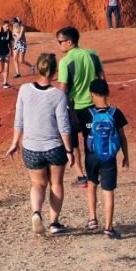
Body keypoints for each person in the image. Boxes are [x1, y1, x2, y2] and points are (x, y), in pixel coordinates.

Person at [6, 53, 73, 235]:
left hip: (31, 147)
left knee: (37, 184)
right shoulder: (58, 95)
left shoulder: (24, 89)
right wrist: (69, 150)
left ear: (38, 67)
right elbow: (64, 126)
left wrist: (15, 142)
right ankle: (54, 223)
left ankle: (36, 212)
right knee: (56, 183)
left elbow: (19, 119)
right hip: (54, 147)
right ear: (55, 71)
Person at [56, 26, 105, 187]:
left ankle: (81, 176)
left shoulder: (65, 62)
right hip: (93, 106)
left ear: (69, 42)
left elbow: (63, 90)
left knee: (73, 143)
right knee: (92, 140)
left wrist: (63, 111)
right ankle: (96, 172)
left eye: (60, 41)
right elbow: (102, 79)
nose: (59, 44)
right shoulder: (92, 54)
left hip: (74, 108)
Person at [80, 78, 129, 239]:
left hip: (91, 157)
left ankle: (92, 219)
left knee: (92, 185)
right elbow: (122, 137)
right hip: (109, 157)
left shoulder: (86, 114)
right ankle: (108, 227)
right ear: (108, 92)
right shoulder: (116, 113)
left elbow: (82, 134)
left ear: (91, 94)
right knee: (108, 192)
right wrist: (126, 156)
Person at [0, 21, 13, 88]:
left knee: (6, 69)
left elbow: (10, 43)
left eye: (8, 26)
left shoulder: (9, 34)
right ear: (3, 26)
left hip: (6, 53)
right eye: (6, 26)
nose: (8, 27)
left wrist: (11, 52)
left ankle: (5, 83)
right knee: (1, 69)